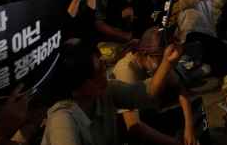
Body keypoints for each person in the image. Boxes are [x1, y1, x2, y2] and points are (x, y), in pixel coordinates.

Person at [41, 39, 182, 145]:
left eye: (103, 68)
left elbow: (145, 93)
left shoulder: (105, 91)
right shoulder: (62, 119)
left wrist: (166, 63)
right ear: (76, 87)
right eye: (97, 74)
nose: (104, 77)